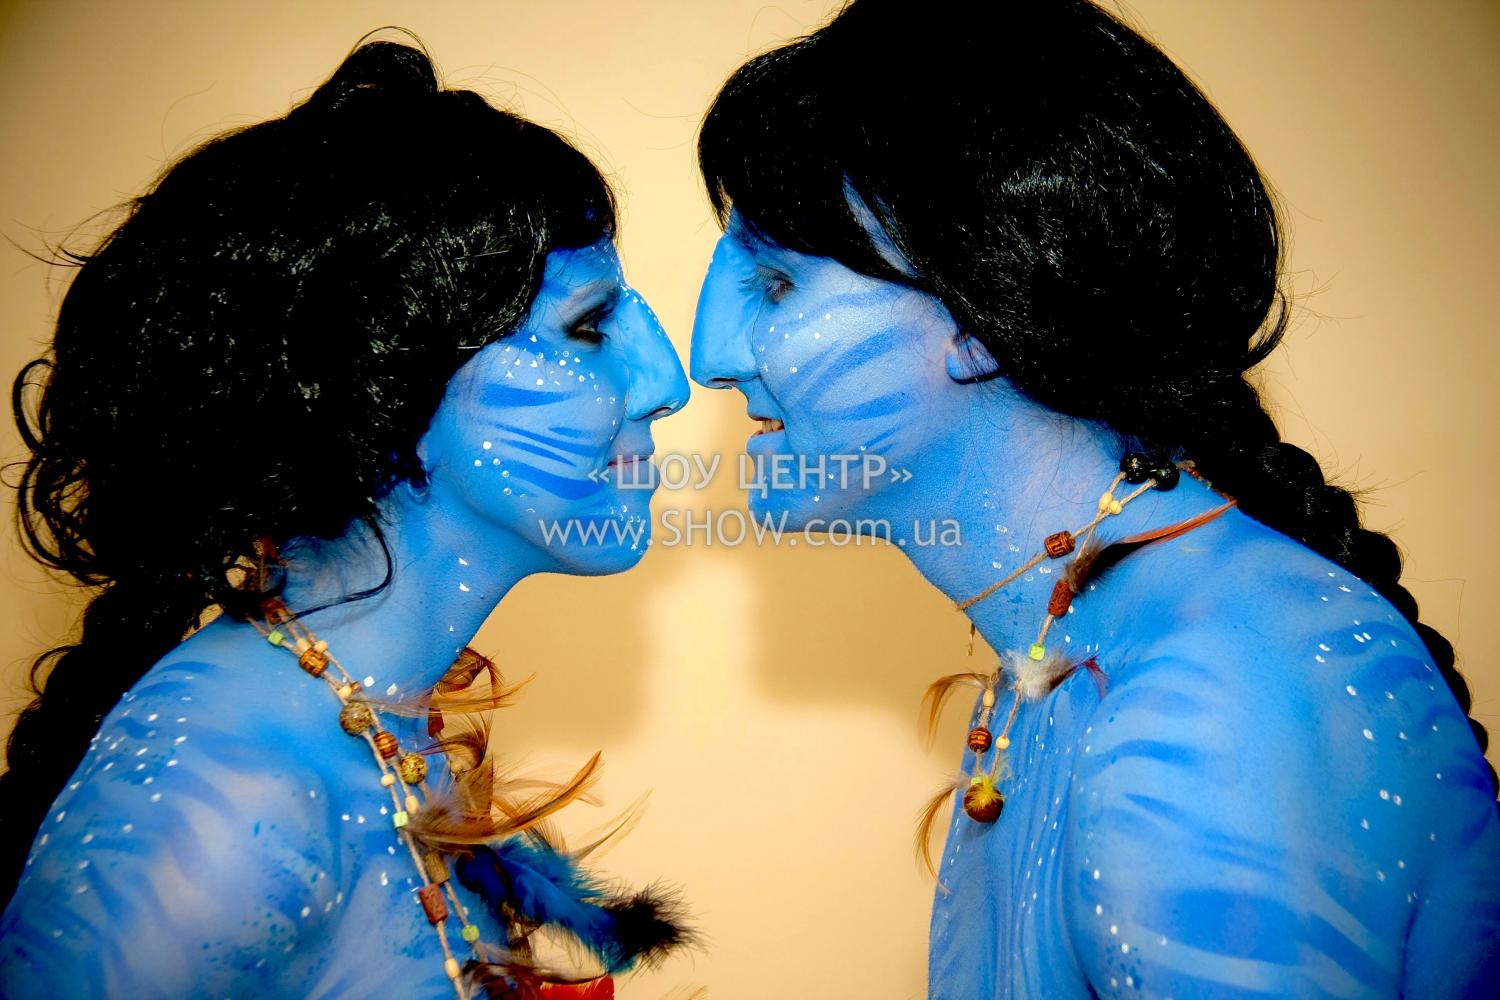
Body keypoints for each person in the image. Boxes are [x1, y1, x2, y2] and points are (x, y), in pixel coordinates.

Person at [689, 0, 1499, 995]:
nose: (709, 357)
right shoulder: (1078, 641)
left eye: (775, 286)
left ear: (982, 317)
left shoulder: (1205, 714)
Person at [0, 40, 690, 999]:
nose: (666, 383)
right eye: (589, 326)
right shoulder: (224, 809)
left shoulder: (375, 723)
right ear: (383, 387)